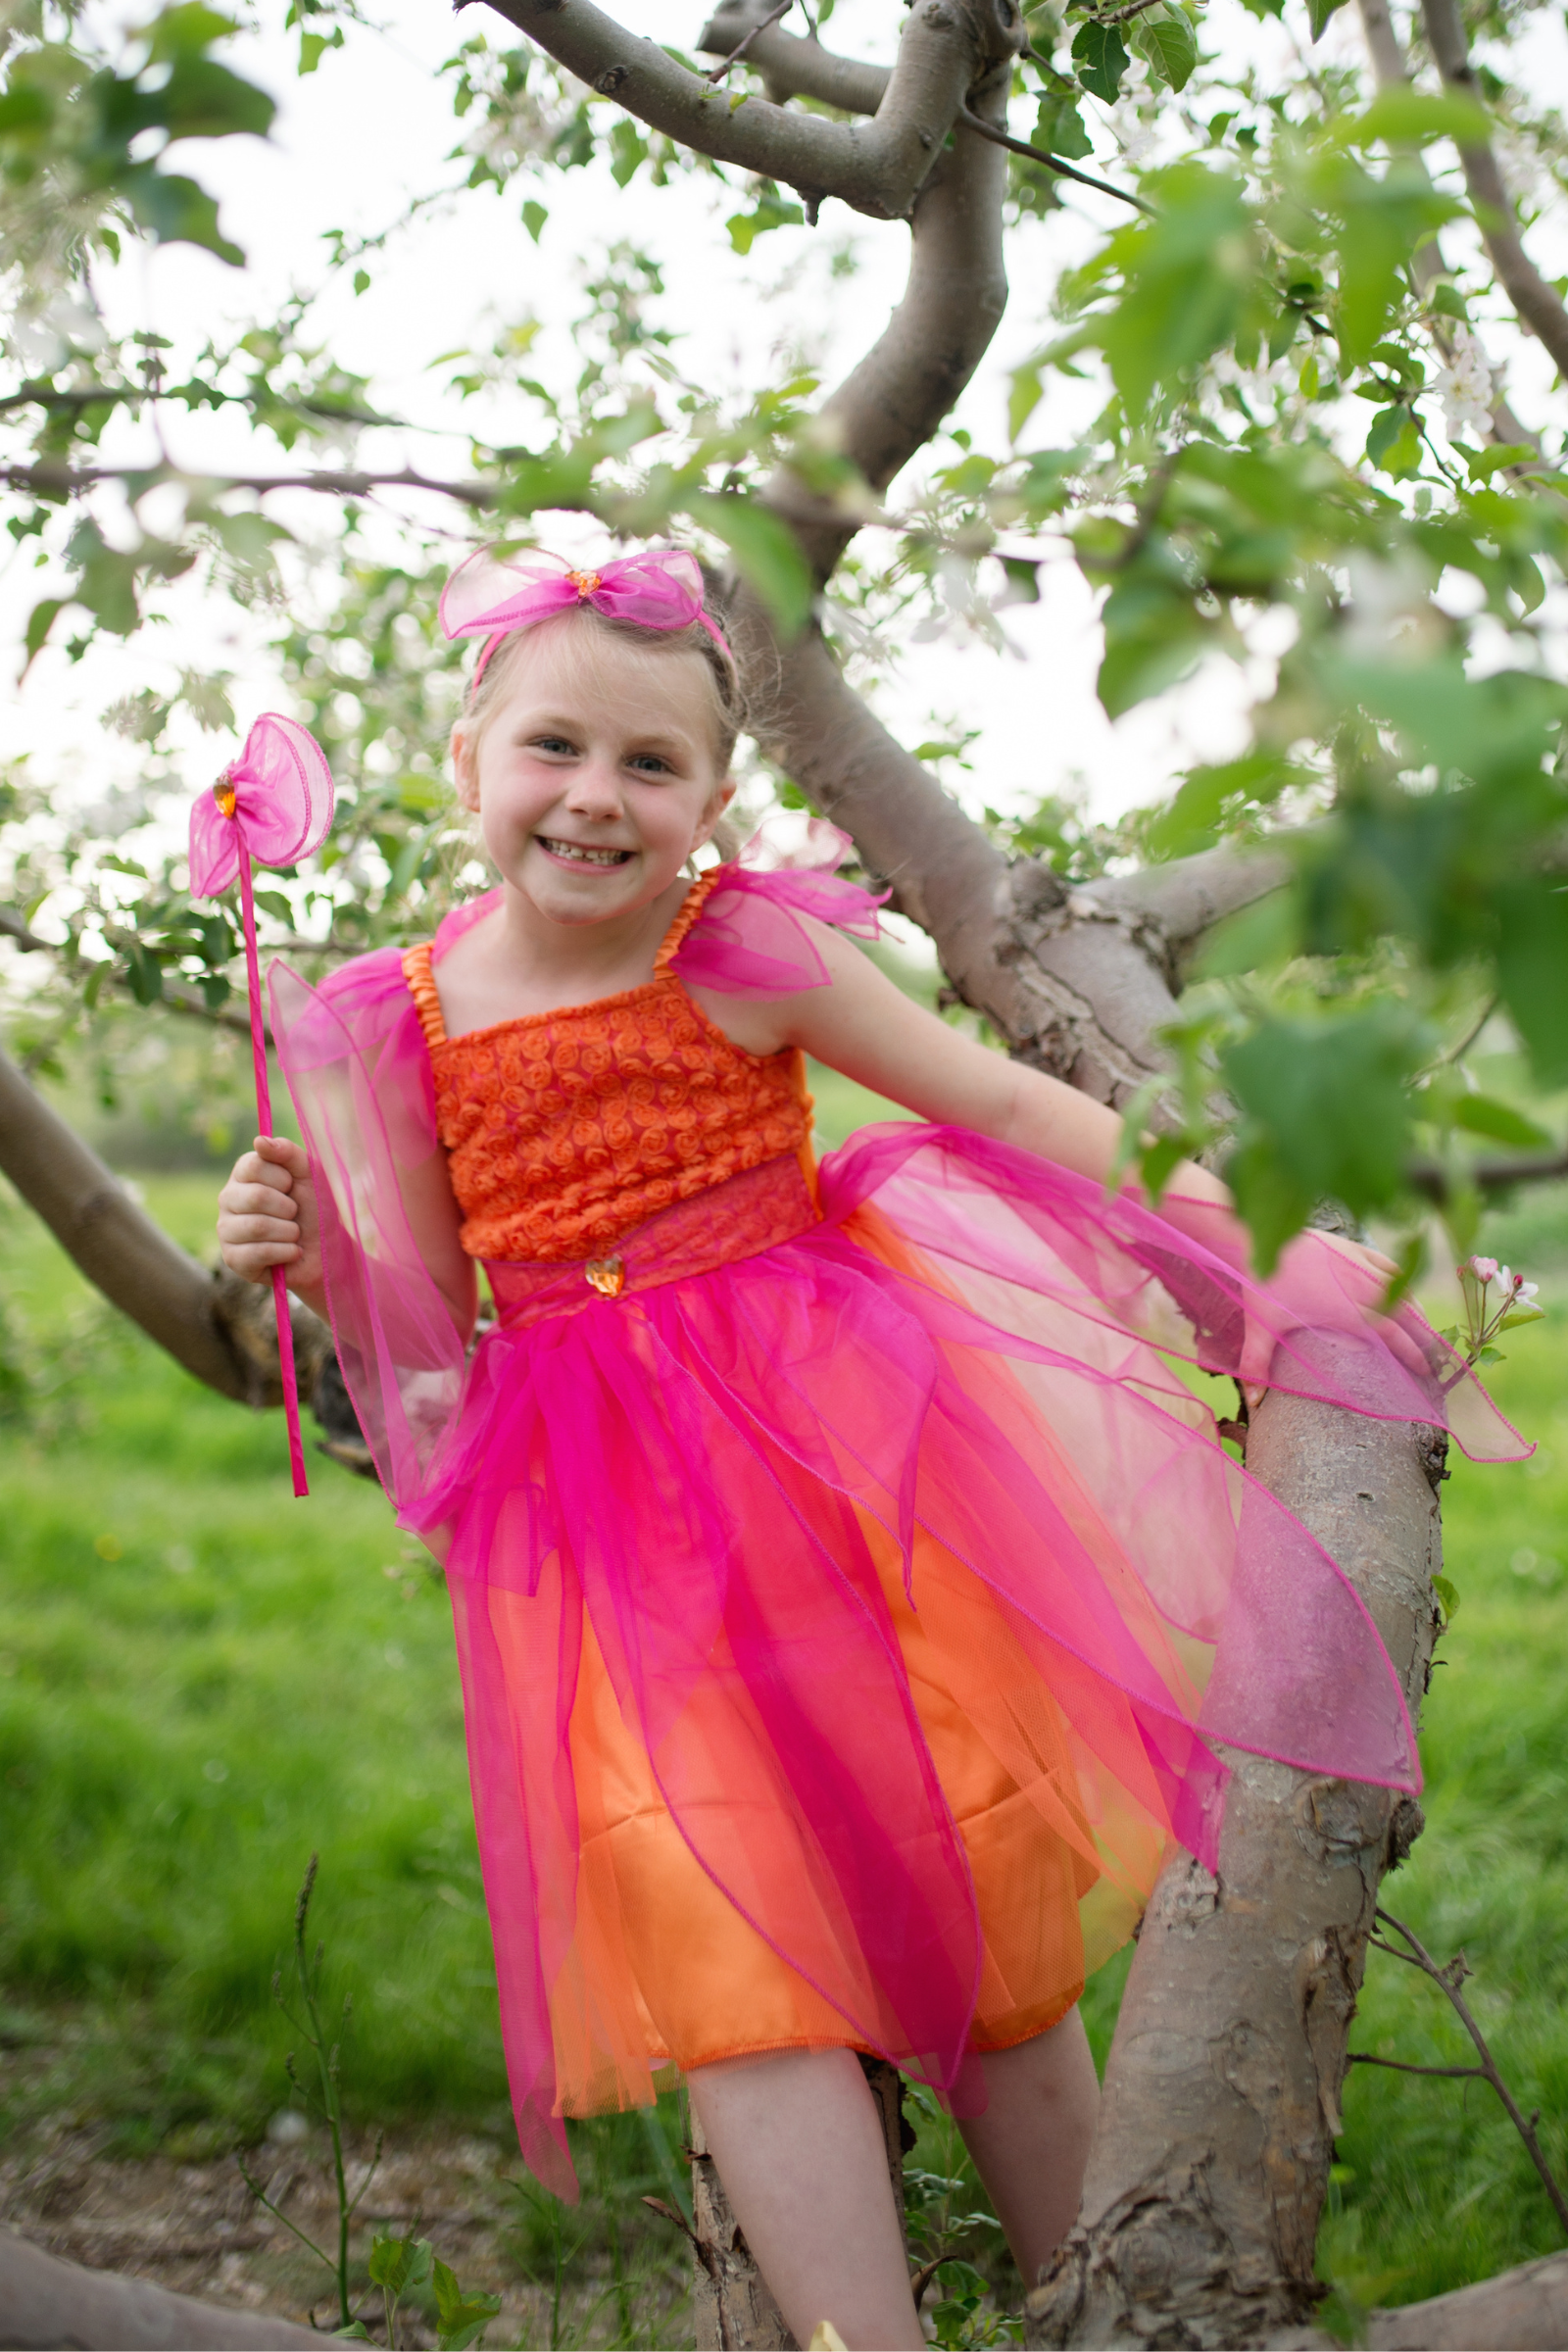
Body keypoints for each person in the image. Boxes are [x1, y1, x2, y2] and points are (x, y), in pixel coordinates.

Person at [217, 548, 1523, 2350]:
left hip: (841, 1453)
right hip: (615, 1513)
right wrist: (311, 1260)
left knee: (966, 1887)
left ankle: (1109, 2303)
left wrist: (1243, 1240)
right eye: (554, 748)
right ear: (468, 761)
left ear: (713, 803)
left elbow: (997, 1098)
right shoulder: (392, 1016)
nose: (594, 797)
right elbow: (434, 1310)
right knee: (717, 1928)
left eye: (651, 765)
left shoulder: (742, 950)